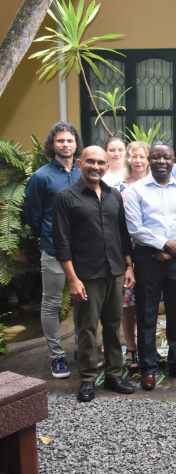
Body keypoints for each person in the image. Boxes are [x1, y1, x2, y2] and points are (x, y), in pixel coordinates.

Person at [52, 146, 136, 402]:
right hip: (86, 274)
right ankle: (88, 379)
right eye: (90, 162)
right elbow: (61, 242)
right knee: (87, 328)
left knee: (112, 325)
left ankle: (113, 374)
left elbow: (122, 233)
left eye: (101, 162)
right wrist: (72, 279)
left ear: (107, 167)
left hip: (115, 271)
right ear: (80, 164)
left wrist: (129, 266)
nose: (96, 166)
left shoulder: (112, 195)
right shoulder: (65, 198)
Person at [124, 141, 176, 390]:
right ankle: (148, 367)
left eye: (165, 157)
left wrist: (175, 249)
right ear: (148, 160)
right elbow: (135, 227)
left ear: (173, 159)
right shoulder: (137, 191)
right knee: (147, 314)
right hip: (149, 259)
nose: (161, 162)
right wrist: (165, 244)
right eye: (155, 157)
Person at [24, 121, 82, 378]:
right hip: (53, 251)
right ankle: (57, 357)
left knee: (84, 303)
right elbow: (33, 217)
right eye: (61, 141)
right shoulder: (41, 176)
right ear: (53, 145)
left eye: (70, 140)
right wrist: (49, 238)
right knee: (52, 304)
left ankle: (83, 349)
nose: (66, 144)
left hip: (83, 253)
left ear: (76, 144)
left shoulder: (84, 172)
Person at [113, 140, 150, 372]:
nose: (138, 160)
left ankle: (149, 347)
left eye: (142, 156)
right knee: (128, 302)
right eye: (134, 156)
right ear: (128, 159)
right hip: (126, 252)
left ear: (148, 160)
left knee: (149, 303)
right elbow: (117, 224)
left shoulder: (156, 184)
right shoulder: (118, 188)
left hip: (150, 251)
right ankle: (132, 347)